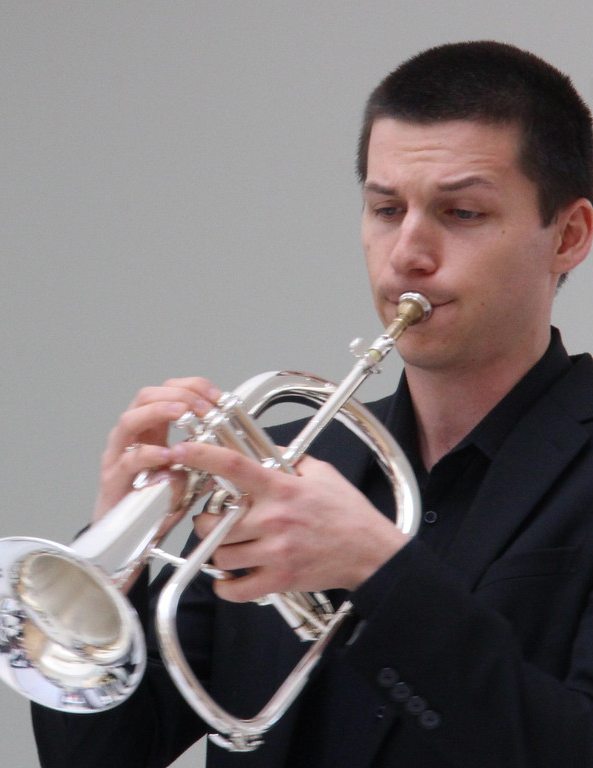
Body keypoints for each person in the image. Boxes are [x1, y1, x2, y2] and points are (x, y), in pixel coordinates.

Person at [30, 41, 593, 767]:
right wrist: (113, 560)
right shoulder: (288, 472)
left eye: (461, 212)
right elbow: (95, 757)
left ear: (568, 237)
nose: (407, 253)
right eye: (386, 209)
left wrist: (383, 574)